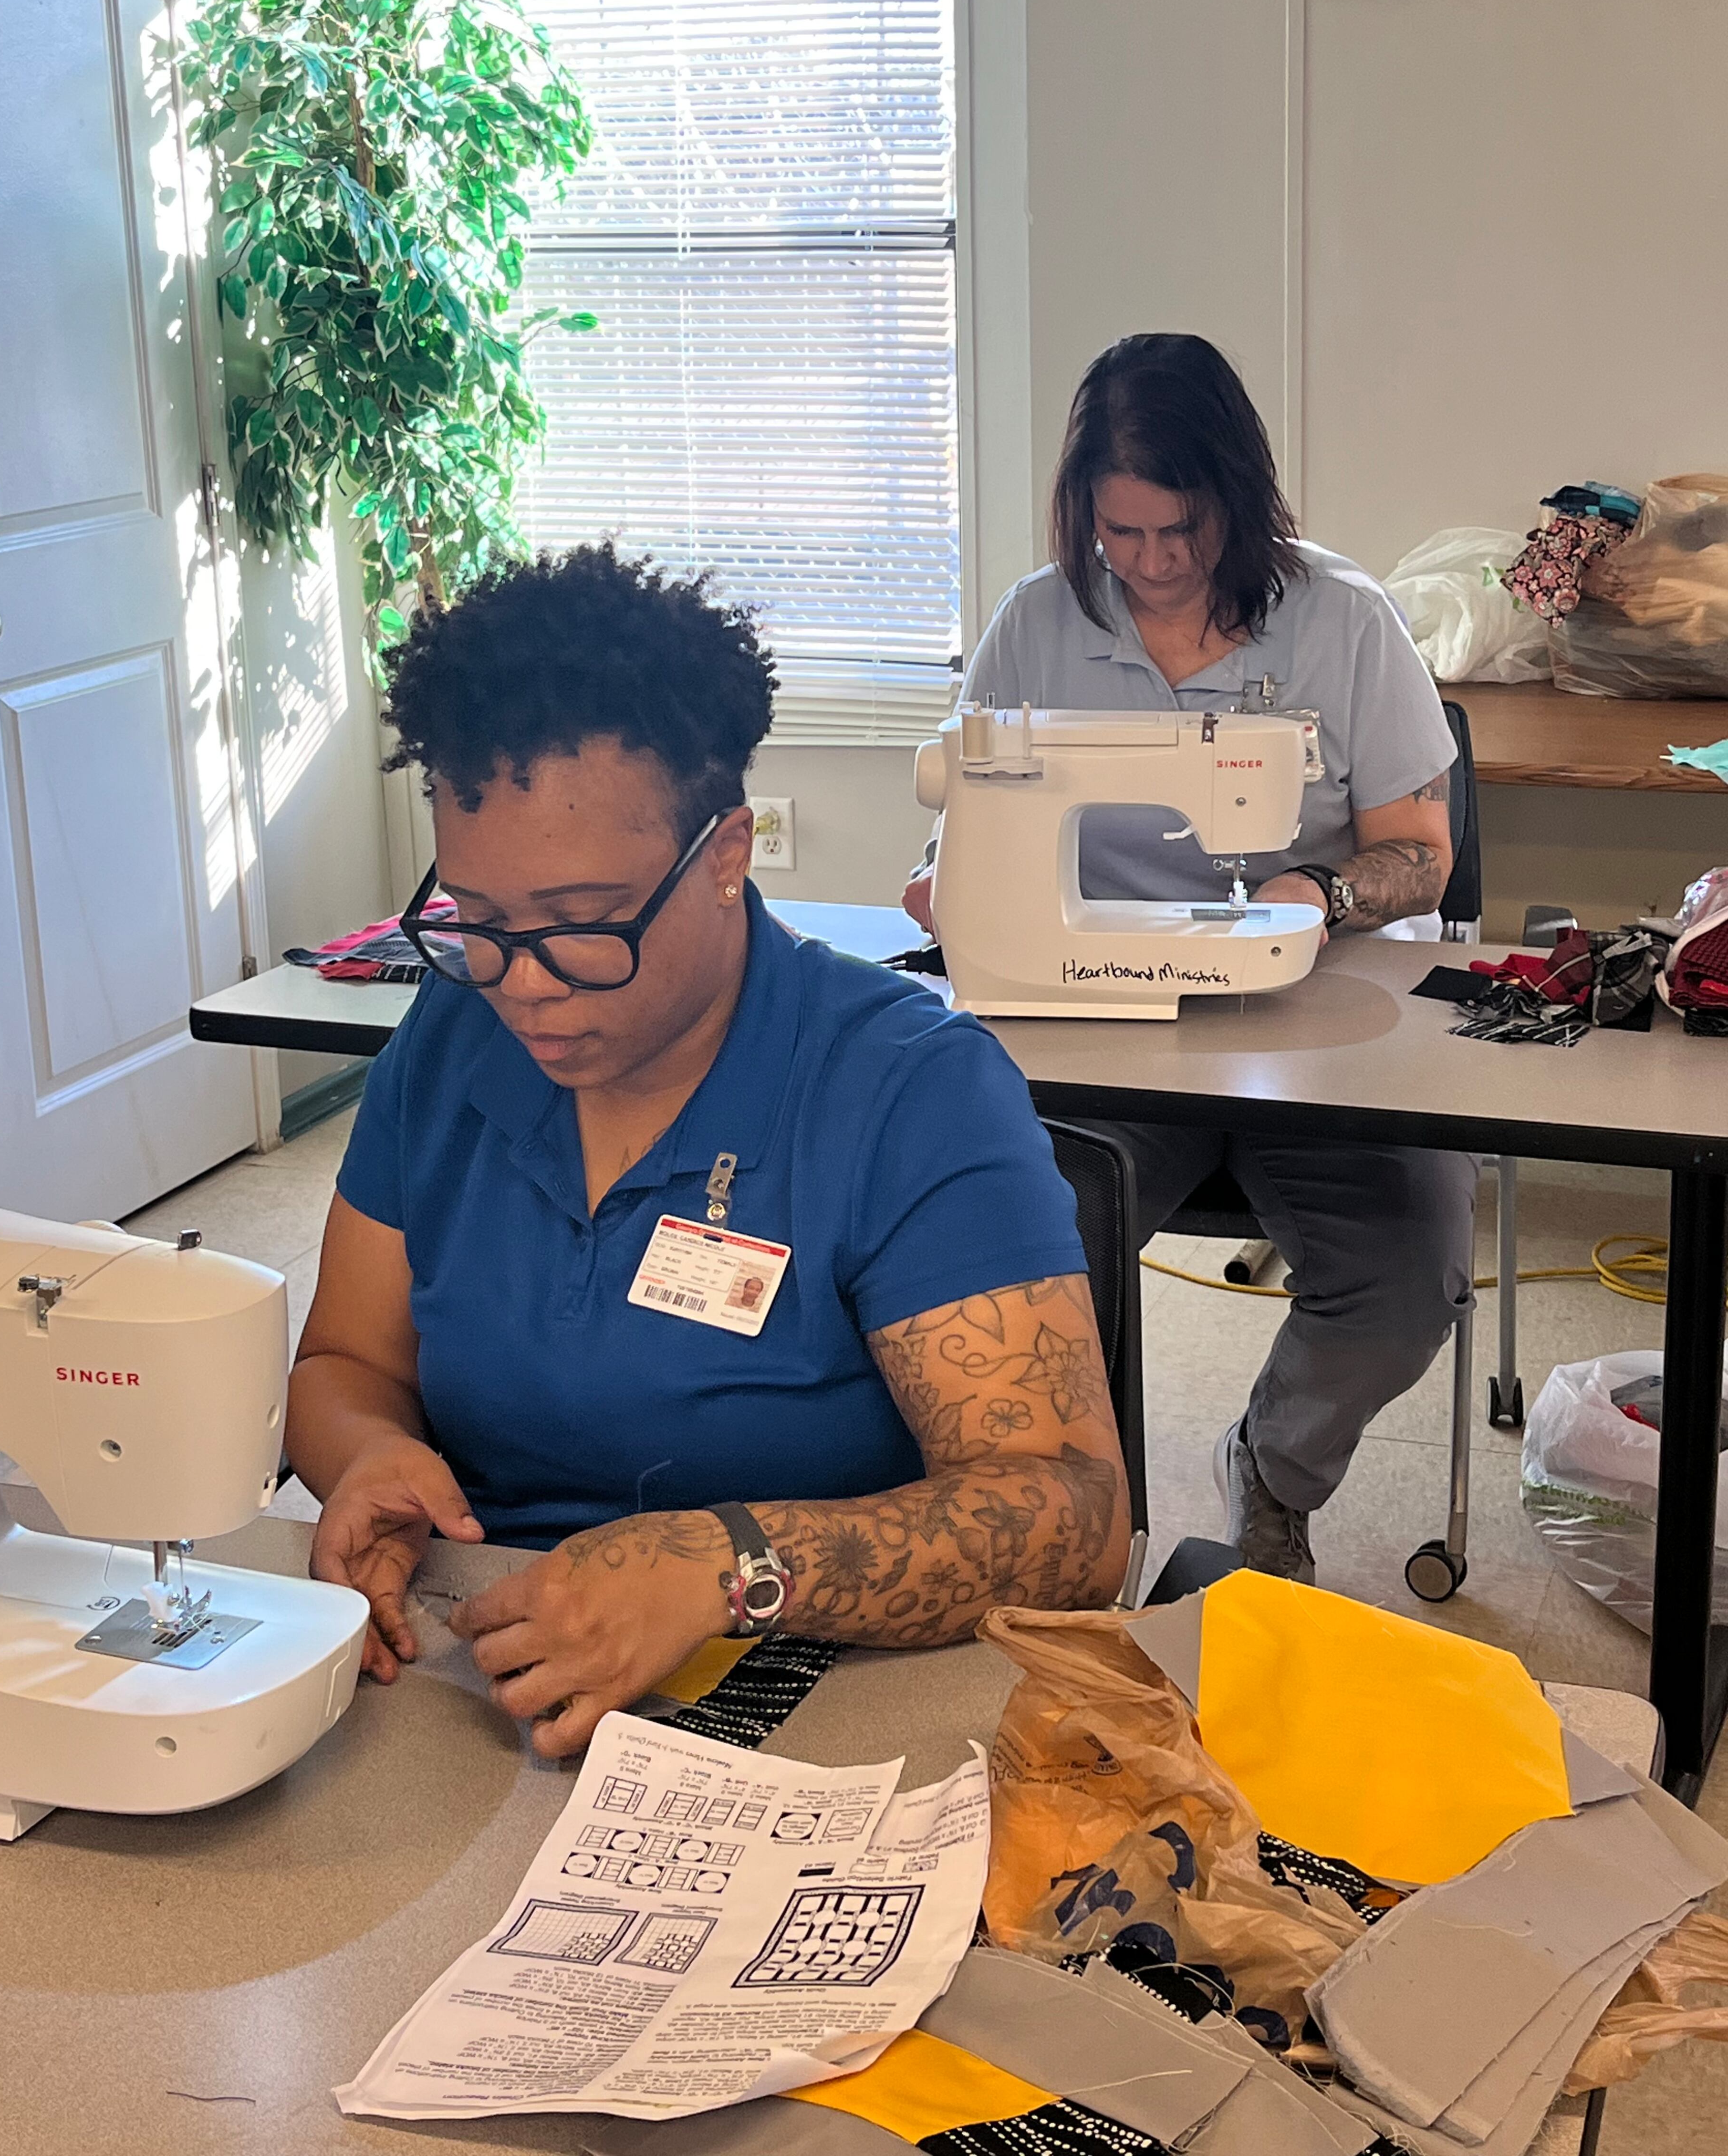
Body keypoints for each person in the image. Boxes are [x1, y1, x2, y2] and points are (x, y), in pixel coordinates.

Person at [287, 544, 1129, 1757]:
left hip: (819, 1707)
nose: (522, 985)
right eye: (479, 923)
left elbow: (1073, 1521)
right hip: (481, 1689)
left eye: (582, 925)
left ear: (727, 854)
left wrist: (731, 1565)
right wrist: (370, 1460)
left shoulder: (907, 1092)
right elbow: (342, 1360)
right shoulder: (452, 1038)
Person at [903, 334, 1475, 1586]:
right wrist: (954, 891)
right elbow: (961, 835)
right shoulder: (1038, 625)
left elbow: (1421, 858)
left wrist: (1317, 888)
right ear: (1085, 515)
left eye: (1185, 533)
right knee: (1007, 1243)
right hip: (1098, 1025)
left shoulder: (1346, 621)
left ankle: (1271, 1468)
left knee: (1407, 1272)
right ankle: (1056, 1504)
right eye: (1125, 535)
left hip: (1316, 1018)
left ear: (1240, 501)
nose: (1155, 566)